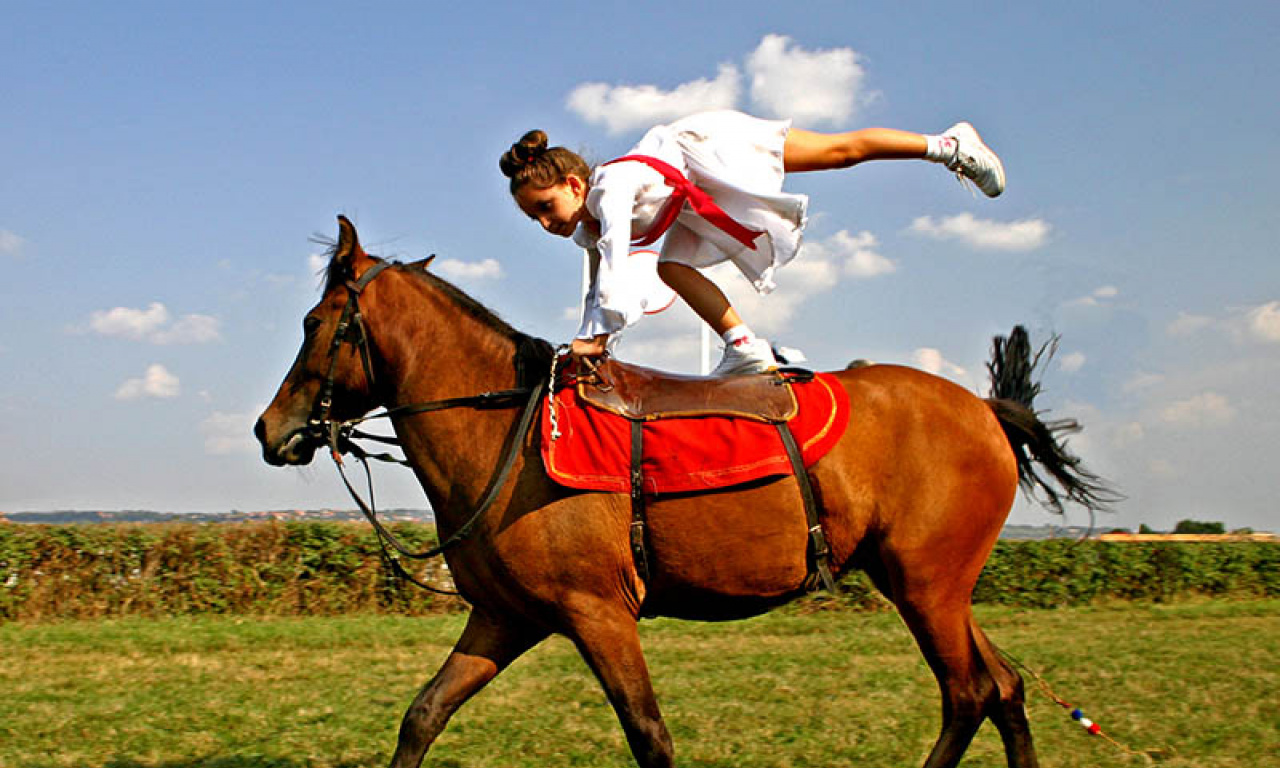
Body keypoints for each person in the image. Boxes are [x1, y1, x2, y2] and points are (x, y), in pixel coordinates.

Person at [499, 110, 1004, 375]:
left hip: (709, 148)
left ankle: (948, 145)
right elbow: (595, 288)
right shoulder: (586, 228)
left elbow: (612, 264)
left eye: (546, 208)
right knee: (669, 268)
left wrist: (598, 337)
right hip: (694, 199)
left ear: (574, 184)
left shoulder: (609, 188)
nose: (545, 223)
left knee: (839, 152)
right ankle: (746, 347)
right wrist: (591, 341)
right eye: (532, 219)